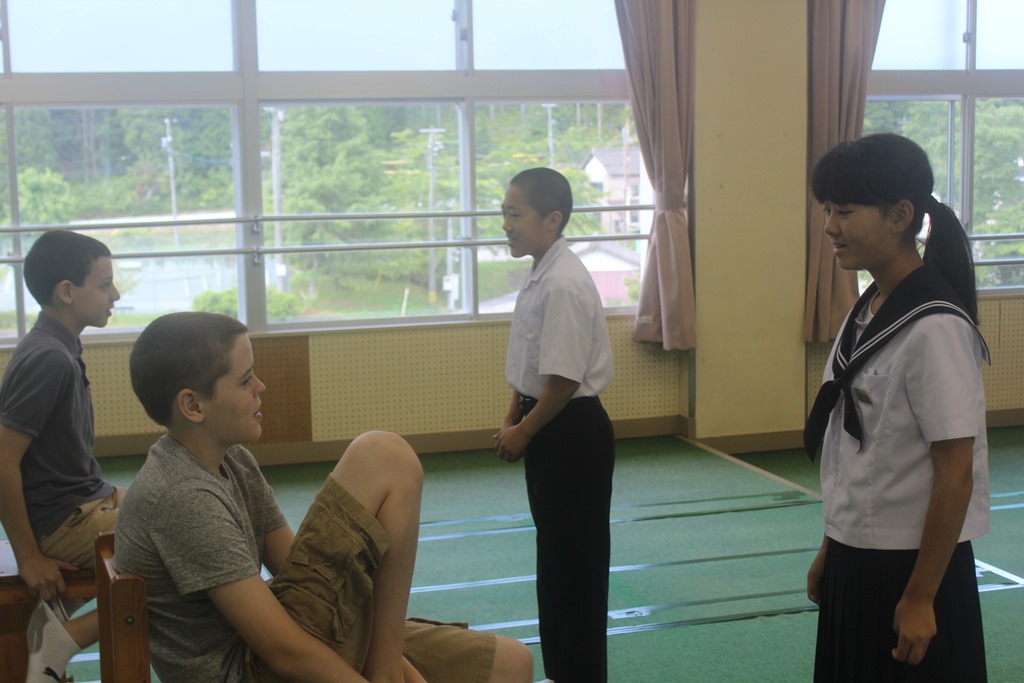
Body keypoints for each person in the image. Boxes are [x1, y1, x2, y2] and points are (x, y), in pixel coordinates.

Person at [116, 311, 533, 683]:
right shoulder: (183, 496)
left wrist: (393, 663)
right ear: (192, 405)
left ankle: (386, 671)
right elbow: (285, 653)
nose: (261, 386)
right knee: (384, 456)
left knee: (512, 663)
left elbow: (299, 573)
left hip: (285, 643)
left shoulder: (233, 459)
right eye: (245, 380)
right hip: (252, 668)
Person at [803, 133, 990, 682]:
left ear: (900, 216)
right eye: (827, 210)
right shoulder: (866, 310)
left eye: (844, 211)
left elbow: (955, 474)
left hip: (912, 567)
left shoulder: (936, 326)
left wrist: (921, 597)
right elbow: (854, 454)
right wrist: (832, 546)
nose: (830, 227)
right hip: (857, 552)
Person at [493, 167, 616, 683]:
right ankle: (565, 670)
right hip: (549, 421)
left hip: (569, 431)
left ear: (552, 219)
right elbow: (533, 359)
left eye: (514, 214)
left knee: (573, 572)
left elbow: (564, 381)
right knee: (557, 562)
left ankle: (579, 673)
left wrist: (524, 430)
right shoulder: (543, 269)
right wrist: (513, 413)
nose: (505, 224)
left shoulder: (563, 282)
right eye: (504, 213)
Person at [0, 230, 122, 683]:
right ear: (67, 292)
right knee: (184, 548)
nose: (115, 294)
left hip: (86, 500)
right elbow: (2, 460)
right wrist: (29, 558)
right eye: (105, 284)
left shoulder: (59, 346)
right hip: (64, 520)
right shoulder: (48, 358)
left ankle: (51, 618)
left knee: (186, 512)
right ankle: (64, 638)